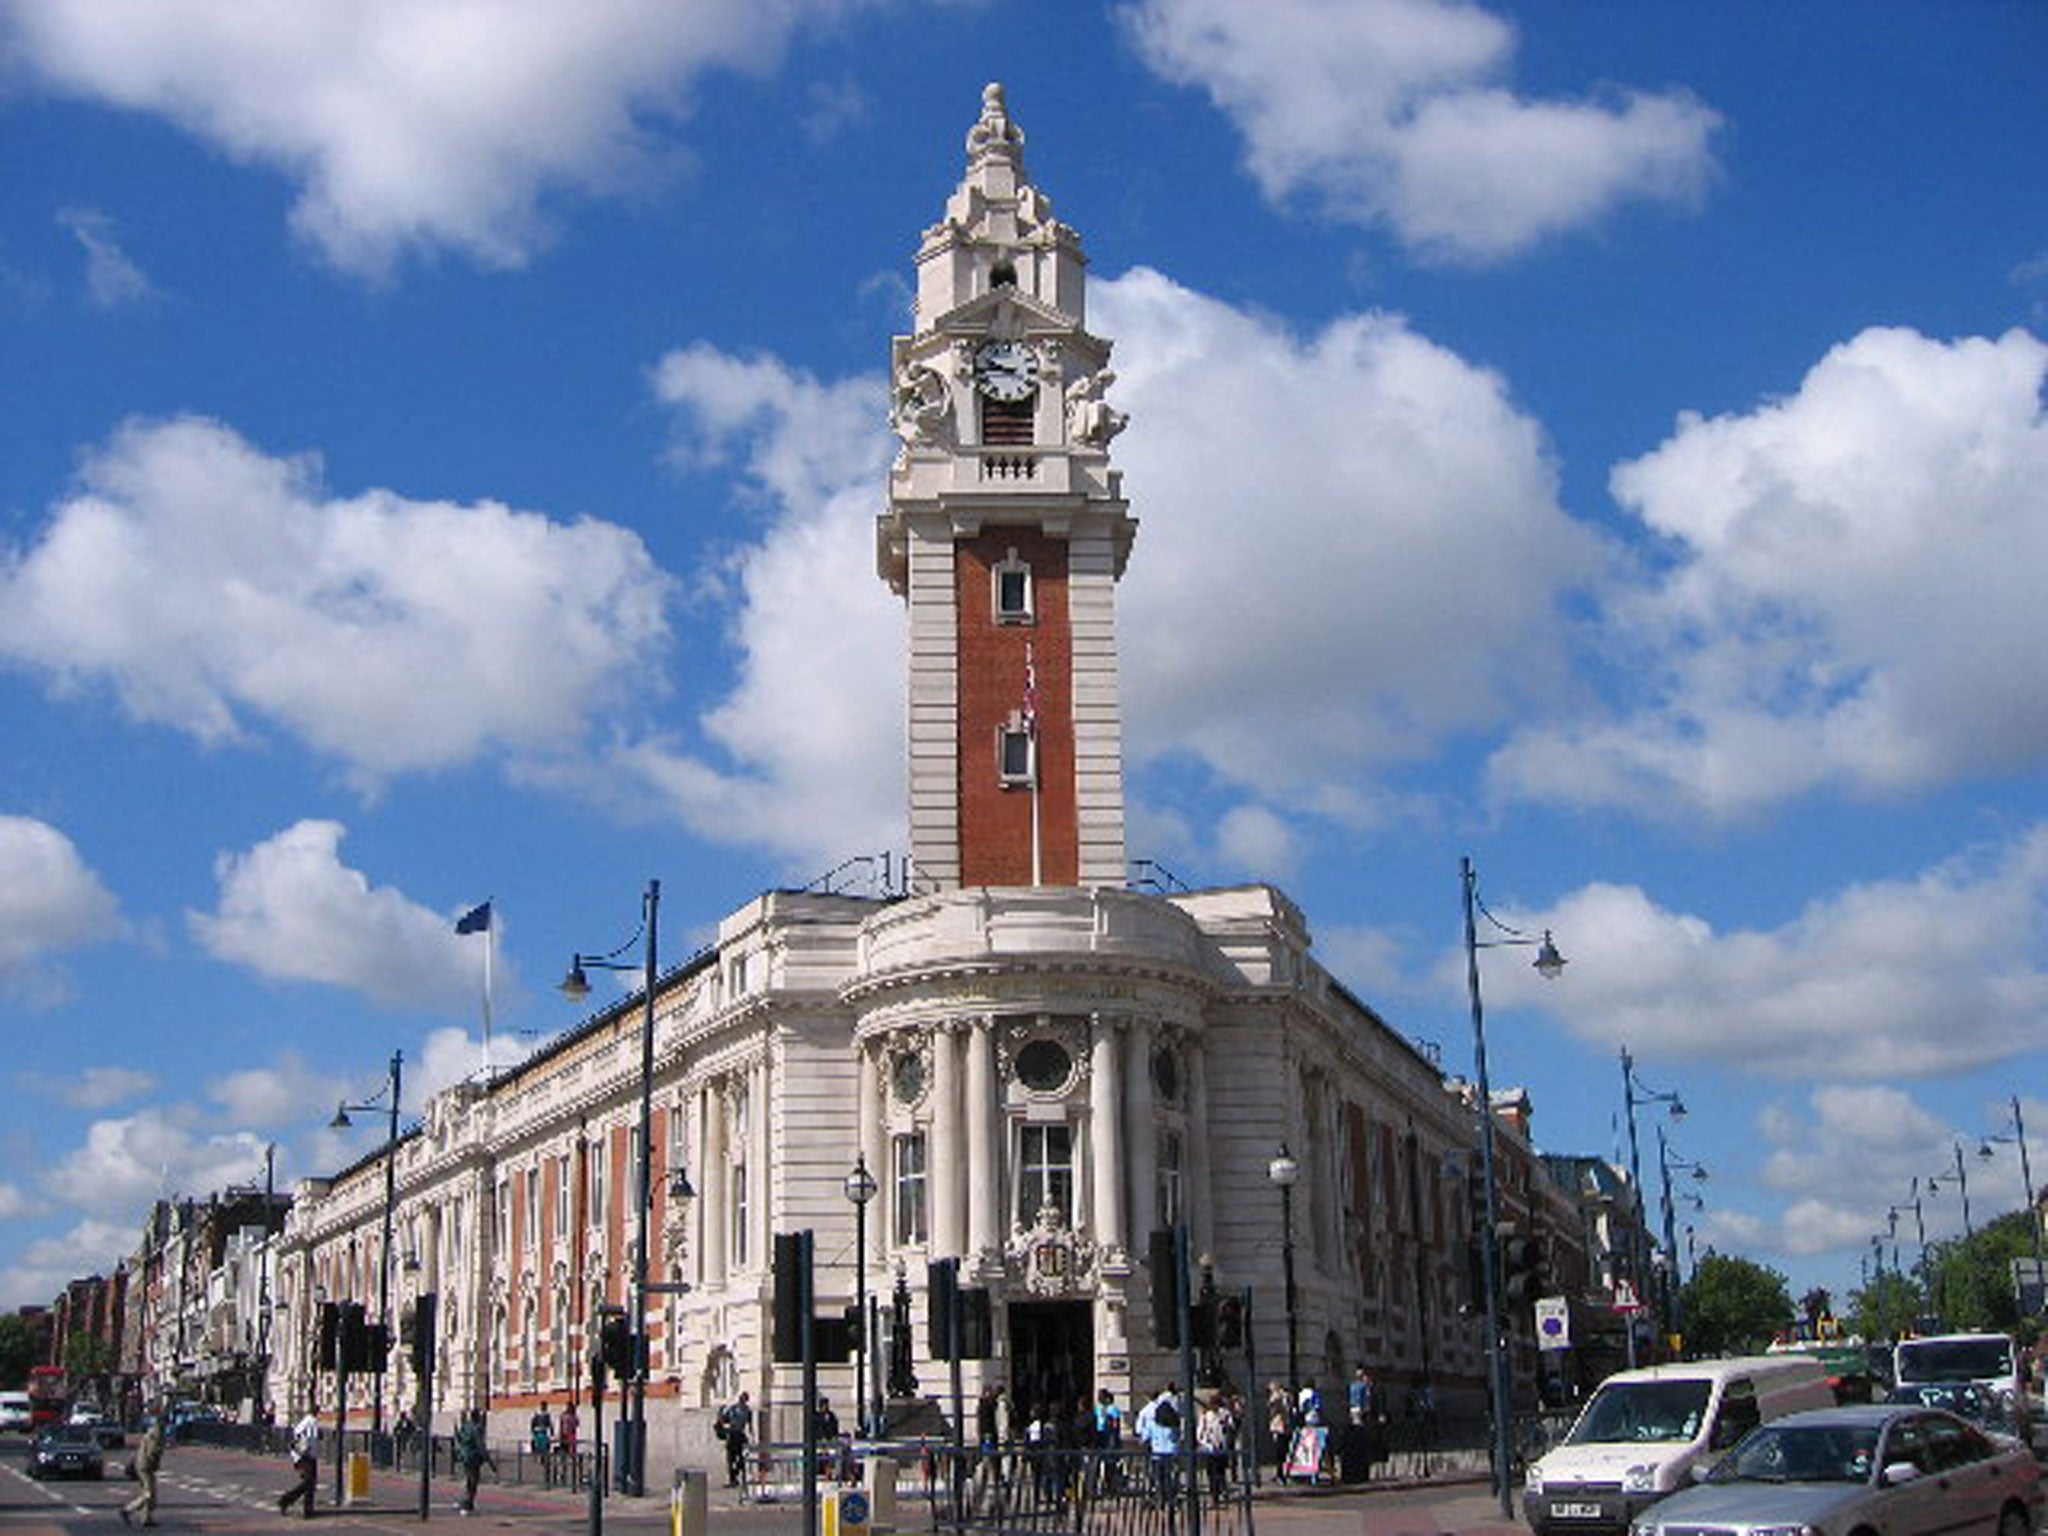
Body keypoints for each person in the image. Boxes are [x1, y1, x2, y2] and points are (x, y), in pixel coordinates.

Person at [120, 1410, 166, 1526]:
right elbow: (152, 1452)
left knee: (151, 1493)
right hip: (146, 1466)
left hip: (142, 1465)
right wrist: (154, 1464)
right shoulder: (156, 1435)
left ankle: (146, 1518)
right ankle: (127, 1510)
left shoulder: (152, 1432)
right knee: (148, 1493)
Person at [278, 1407, 320, 1519]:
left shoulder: (306, 1421)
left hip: (302, 1455)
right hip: (305, 1456)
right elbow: (309, 1438)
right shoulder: (312, 1421)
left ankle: (307, 1509)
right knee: (309, 1481)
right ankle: (286, 1500)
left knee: (310, 1483)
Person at [454, 1407, 493, 1514]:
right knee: (473, 1480)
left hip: (464, 1456)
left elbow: (459, 1437)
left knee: (469, 1479)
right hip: (473, 1457)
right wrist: (489, 1461)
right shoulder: (477, 1429)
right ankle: (468, 1503)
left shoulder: (466, 1426)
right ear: (477, 1417)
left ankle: (467, 1501)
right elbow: (480, 1446)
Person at [718, 1391, 753, 1490]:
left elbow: (724, 1419)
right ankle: (735, 1477)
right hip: (738, 1435)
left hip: (735, 1435)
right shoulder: (744, 1410)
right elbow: (749, 1426)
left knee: (734, 1458)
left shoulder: (736, 1409)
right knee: (737, 1458)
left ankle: (734, 1477)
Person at [529, 1402, 553, 1485]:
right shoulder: (538, 1414)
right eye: (543, 1406)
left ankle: (543, 1457)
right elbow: (533, 1423)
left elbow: (549, 1423)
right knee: (538, 1444)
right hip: (538, 1432)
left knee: (544, 1445)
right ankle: (538, 1456)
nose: (544, 1407)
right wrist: (533, 1431)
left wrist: (551, 1430)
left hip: (543, 1432)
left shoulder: (546, 1415)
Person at [557, 1401, 580, 1487]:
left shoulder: (571, 1416)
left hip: (570, 1436)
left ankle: (568, 1473)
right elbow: (561, 1425)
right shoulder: (566, 1415)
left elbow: (577, 1424)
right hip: (565, 1436)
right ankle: (562, 1473)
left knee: (571, 1455)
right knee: (564, 1455)